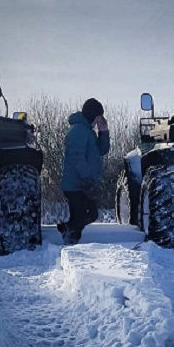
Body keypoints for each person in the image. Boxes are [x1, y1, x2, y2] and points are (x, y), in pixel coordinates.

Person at [59, 98, 110, 245]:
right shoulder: (79, 131)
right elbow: (76, 157)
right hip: (75, 185)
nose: (100, 119)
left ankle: (69, 239)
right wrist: (87, 177)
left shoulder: (88, 132)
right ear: (93, 115)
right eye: (99, 116)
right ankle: (66, 231)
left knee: (81, 217)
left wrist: (103, 131)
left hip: (81, 184)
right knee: (89, 213)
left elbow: (102, 150)